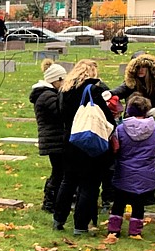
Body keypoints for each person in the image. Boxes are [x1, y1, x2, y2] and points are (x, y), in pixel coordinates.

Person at [52, 59, 113, 234]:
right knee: (90, 183)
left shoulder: (64, 90)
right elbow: (106, 116)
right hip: (90, 138)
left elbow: (62, 113)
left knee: (68, 180)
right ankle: (80, 225)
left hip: (70, 139)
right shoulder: (95, 89)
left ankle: (58, 218)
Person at [107, 94, 155, 239]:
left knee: (118, 203)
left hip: (123, 172)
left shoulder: (120, 129)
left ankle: (114, 230)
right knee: (139, 205)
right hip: (146, 173)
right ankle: (135, 231)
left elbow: (115, 148)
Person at [31, 59, 65, 213]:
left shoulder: (47, 94)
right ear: (56, 80)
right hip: (54, 140)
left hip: (53, 139)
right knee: (58, 172)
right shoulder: (47, 96)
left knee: (58, 171)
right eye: (62, 80)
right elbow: (61, 113)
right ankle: (50, 203)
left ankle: (53, 201)